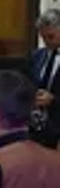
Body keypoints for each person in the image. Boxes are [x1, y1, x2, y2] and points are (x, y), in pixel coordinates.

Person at [30, 9, 59, 146]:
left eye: (50, 36)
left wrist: (54, 100)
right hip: (36, 128)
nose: (46, 42)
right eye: (43, 37)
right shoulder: (37, 56)